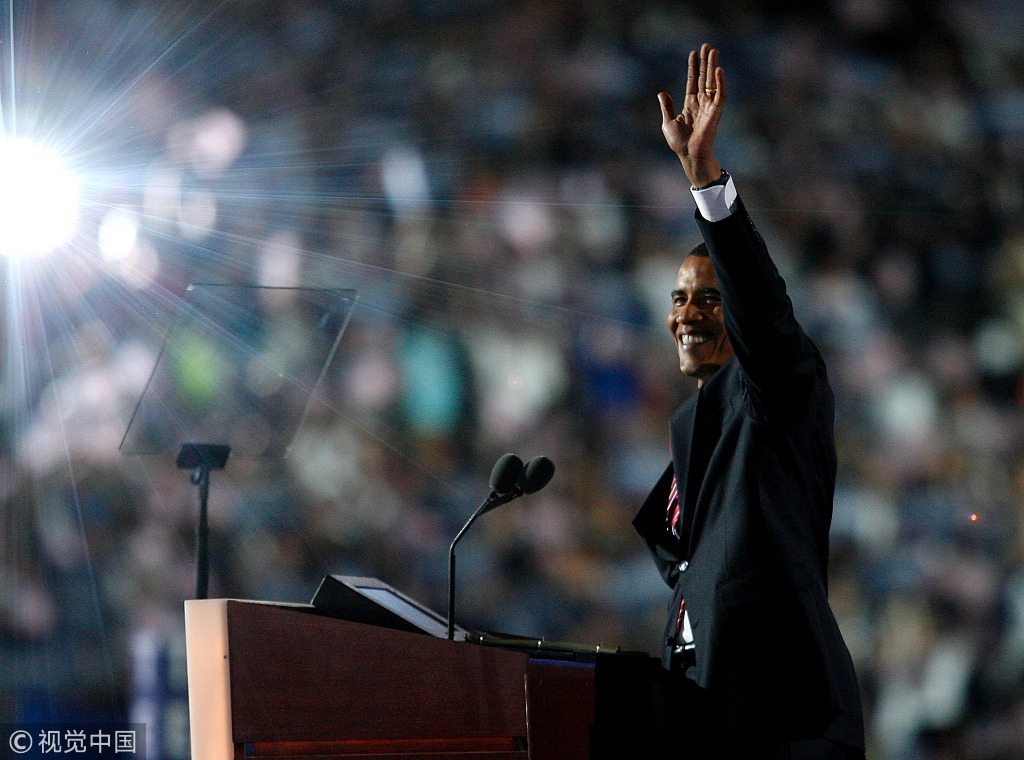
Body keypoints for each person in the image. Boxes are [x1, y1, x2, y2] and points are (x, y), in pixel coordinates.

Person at [632, 44, 865, 759]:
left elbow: (762, 308)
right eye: (678, 299)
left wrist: (704, 180)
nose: (688, 313)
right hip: (711, 720)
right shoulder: (692, 432)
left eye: (708, 298)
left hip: (786, 722)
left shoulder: (779, 390)